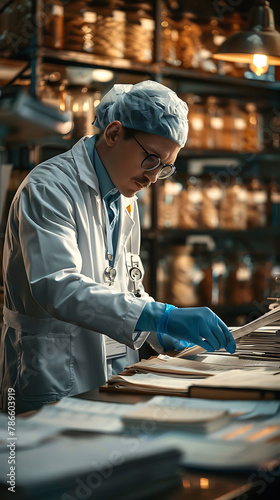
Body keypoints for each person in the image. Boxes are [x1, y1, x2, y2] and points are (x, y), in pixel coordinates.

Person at [0, 80, 236, 413]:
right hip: (49, 372)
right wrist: (161, 316)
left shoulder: (124, 195)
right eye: (151, 159)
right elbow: (58, 288)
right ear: (113, 134)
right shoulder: (49, 187)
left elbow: (124, 285)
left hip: (112, 370)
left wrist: (160, 331)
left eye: (165, 167)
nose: (153, 177)